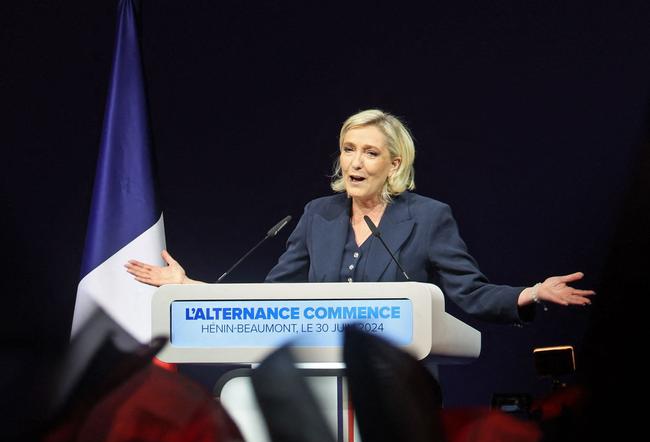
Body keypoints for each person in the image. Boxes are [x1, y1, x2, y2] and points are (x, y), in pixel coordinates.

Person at [126, 109, 594, 323]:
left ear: (394, 165)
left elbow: (468, 293)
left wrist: (532, 292)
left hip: (396, 384)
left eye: (370, 153)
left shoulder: (428, 217)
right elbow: (271, 299)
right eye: (348, 149)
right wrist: (188, 288)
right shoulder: (318, 215)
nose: (354, 162)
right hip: (317, 373)